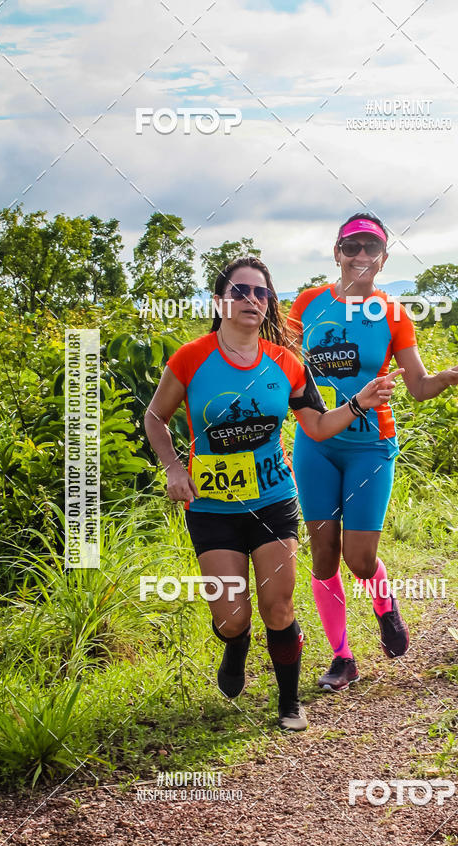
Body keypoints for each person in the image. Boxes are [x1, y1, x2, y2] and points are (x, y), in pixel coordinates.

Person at [144, 256, 402, 729]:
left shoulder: (286, 362)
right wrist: (174, 467)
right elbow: (155, 417)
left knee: (278, 607)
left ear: (269, 303)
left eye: (261, 292)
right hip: (212, 506)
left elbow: (318, 426)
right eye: (239, 291)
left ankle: (289, 703)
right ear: (220, 301)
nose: (251, 299)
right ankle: (236, 644)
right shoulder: (190, 358)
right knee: (231, 619)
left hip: (273, 501)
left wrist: (359, 402)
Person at [287, 214, 458, 692]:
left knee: (359, 559)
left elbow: (418, 386)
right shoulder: (308, 304)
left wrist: (447, 378)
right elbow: (282, 369)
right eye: (351, 246)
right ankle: (342, 658)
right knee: (323, 556)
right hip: (315, 444)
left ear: (383, 258)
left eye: (370, 248)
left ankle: (384, 604)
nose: (360, 255)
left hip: (371, 446)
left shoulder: (393, 314)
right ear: (336, 252)